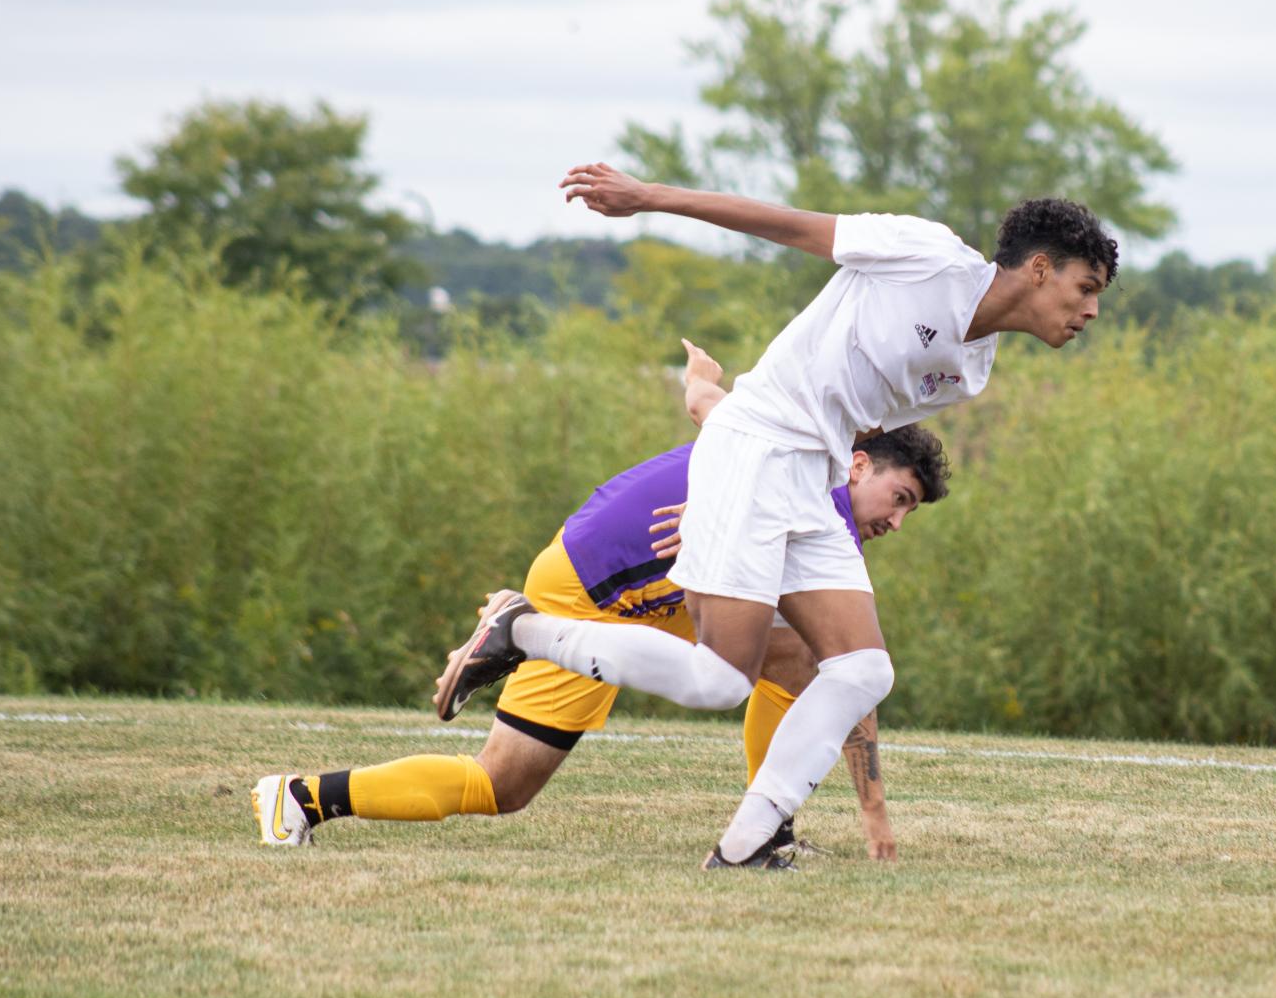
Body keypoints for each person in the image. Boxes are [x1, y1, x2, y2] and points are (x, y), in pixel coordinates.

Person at [437, 165, 1116, 869]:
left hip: (804, 478)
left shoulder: (970, 371)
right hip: (758, 455)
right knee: (720, 681)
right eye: (1085, 288)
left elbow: (845, 425)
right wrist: (647, 198)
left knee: (861, 670)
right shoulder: (929, 254)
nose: (1091, 311)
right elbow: (786, 224)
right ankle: (525, 629)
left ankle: (748, 845)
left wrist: (708, 415)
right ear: (1039, 269)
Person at [252, 342, 949, 859]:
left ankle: (768, 833)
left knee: (799, 660)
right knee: (502, 787)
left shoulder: (796, 458)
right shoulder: (814, 499)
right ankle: (312, 789)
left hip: (638, 586)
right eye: (900, 499)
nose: (896, 521)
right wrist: (876, 815)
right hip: (587, 590)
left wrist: (699, 384)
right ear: (858, 463)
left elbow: (712, 409)